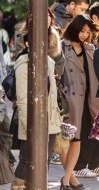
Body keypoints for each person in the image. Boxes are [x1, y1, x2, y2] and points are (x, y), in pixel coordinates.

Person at [11, 17, 61, 189]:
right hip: (31, 123)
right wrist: (29, 127)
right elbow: (23, 100)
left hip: (50, 121)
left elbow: (53, 95)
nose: (41, 44)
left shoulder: (49, 62)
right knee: (27, 161)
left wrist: (57, 121)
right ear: (27, 44)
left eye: (44, 41)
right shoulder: (24, 65)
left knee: (44, 161)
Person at [60, 15, 99, 189]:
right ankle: (69, 179)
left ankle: (68, 179)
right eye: (82, 31)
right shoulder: (62, 47)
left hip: (86, 101)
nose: (84, 35)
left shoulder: (90, 49)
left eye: (87, 32)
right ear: (74, 28)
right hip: (68, 101)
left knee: (77, 140)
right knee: (65, 141)